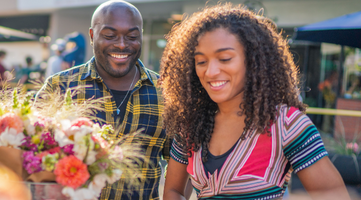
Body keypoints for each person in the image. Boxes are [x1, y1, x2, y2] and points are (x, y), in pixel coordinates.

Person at [161, 4, 348, 200]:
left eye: (224, 59)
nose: (211, 71)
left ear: (252, 60)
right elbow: (173, 191)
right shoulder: (191, 125)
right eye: (201, 61)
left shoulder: (285, 124)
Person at [37, 1, 168, 199]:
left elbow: (182, 163)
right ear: (92, 36)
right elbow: (30, 155)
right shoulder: (59, 87)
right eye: (110, 36)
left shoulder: (166, 92)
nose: (122, 45)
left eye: (132, 36)